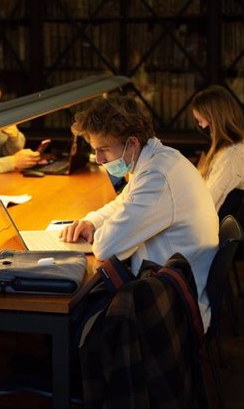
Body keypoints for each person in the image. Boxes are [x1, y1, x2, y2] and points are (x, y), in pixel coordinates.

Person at [61, 95, 219, 330]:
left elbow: (106, 247)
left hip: (172, 308)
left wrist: (101, 232)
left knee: (76, 313)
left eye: (103, 149)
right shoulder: (155, 160)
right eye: (96, 150)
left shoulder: (158, 177)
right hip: (167, 285)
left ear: (132, 143)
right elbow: (122, 202)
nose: (99, 158)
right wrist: (91, 221)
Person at [191, 85, 244, 212]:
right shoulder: (242, 145)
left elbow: (207, 202)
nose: (206, 130)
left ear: (214, 119)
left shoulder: (232, 155)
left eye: (206, 125)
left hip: (216, 225)